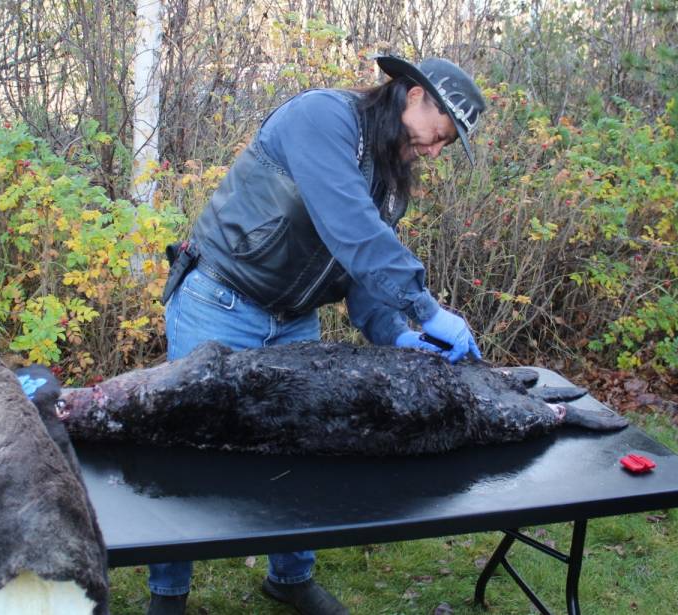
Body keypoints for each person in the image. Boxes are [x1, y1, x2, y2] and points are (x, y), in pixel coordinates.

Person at [148, 54, 486, 615]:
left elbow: (362, 270)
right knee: (186, 446)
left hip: (294, 319)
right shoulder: (322, 119)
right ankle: (168, 594)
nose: (434, 151)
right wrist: (426, 309)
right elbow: (351, 228)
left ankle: (290, 578)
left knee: (300, 446)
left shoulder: (390, 179)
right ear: (413, 95)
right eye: (439, 135)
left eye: (446, 146)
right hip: (220, 299)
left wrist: (395, 333)